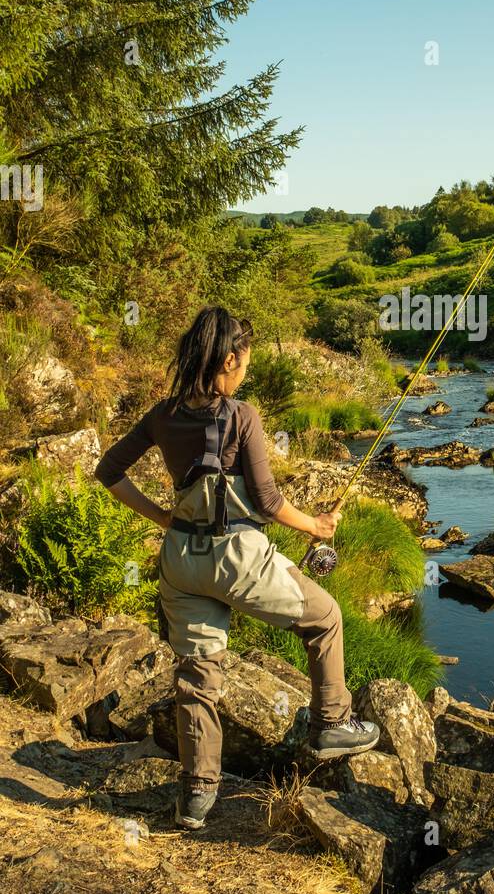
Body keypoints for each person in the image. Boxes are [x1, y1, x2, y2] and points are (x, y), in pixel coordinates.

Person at [94, 306, 379, 830]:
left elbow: (107, 470)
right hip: (238, 559)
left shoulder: (162, 415)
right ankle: (332, 724)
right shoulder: (242, 416)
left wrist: (164, 517)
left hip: (180, 561)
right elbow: (268, 503)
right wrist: (314, 528)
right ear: (228, 359)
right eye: (244, 361)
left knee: (197, 677)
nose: (244, 370)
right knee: (326, 617)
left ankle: (197, 796)